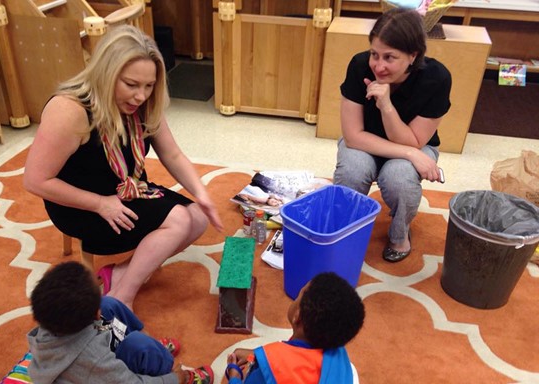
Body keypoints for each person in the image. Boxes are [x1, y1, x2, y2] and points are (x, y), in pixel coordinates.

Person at [23, 25, 223, 310]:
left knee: (198, 217)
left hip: (125, 189)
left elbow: (173, 154)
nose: (141, 96)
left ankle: (120, 274)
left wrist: (202, 194)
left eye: (149, 86)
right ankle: (121, 297)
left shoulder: (143, 104)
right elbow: (35, 180)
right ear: (106, 74)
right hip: (80, 205)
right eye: (131, 85)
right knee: (179, 221)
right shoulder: (69, 110)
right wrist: (101, 204)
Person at [333, 8, 451, 262]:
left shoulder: (437, 79)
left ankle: (400, 235)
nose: (379, 65)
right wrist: (410, 154)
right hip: (367, 143)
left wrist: (386, 105)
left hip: (416, 143)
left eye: (390, 57)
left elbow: (414, 141)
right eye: (375, 54)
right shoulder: (359, 66)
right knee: (352, 170)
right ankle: (341, 230)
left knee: (398, 177)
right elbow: (353, 137)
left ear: (413, 56)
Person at [27, 261, 214, 384]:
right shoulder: (94, 358)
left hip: (91, 359)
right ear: (95, 314)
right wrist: (174, 379)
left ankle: (153, 349)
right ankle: (166, 367)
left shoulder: (53, 324)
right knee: (139, 345)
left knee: (110, 304)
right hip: (101, 372)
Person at [224, 272, 365, 383]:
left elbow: (279, 368)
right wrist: (257, 356)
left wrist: (234, 376)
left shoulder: (269, 371)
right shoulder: (341, 359)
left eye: (299, 294)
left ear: (297, 316)